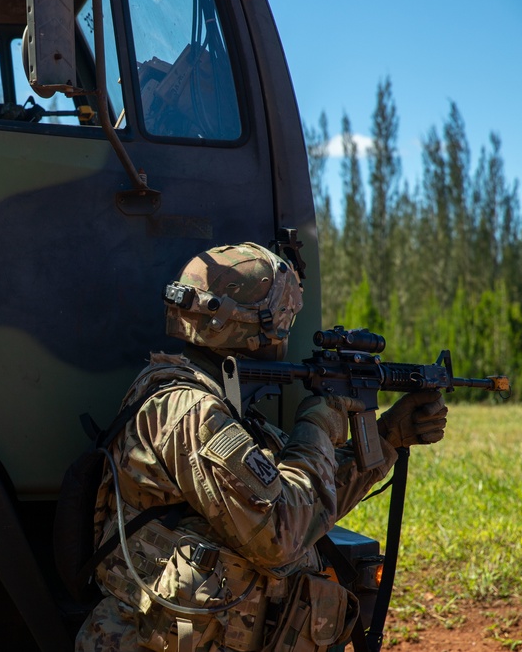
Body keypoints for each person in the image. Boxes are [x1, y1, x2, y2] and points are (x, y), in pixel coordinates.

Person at [75, 242, 448, 652]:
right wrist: (319, 421)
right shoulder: (191, 412)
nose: (286, 335)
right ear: (256, 329)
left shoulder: (218, 405)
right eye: (284, 320)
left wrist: (388, 437)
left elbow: (303, 510)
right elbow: (281, 537)